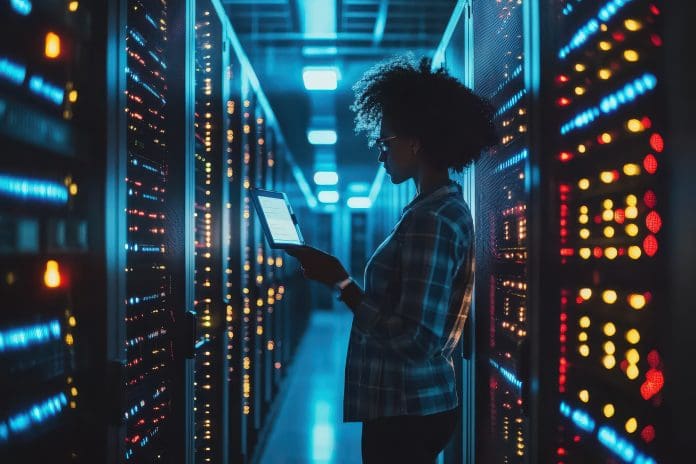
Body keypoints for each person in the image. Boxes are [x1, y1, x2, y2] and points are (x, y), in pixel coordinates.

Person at [286, 54, 497, 464]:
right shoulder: (433, 209)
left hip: (407, 408)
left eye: (385, 142)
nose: (380, 155)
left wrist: (344, 286)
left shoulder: (432, 219)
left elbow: (415, 340)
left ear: (416, 142)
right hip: (413, 402)